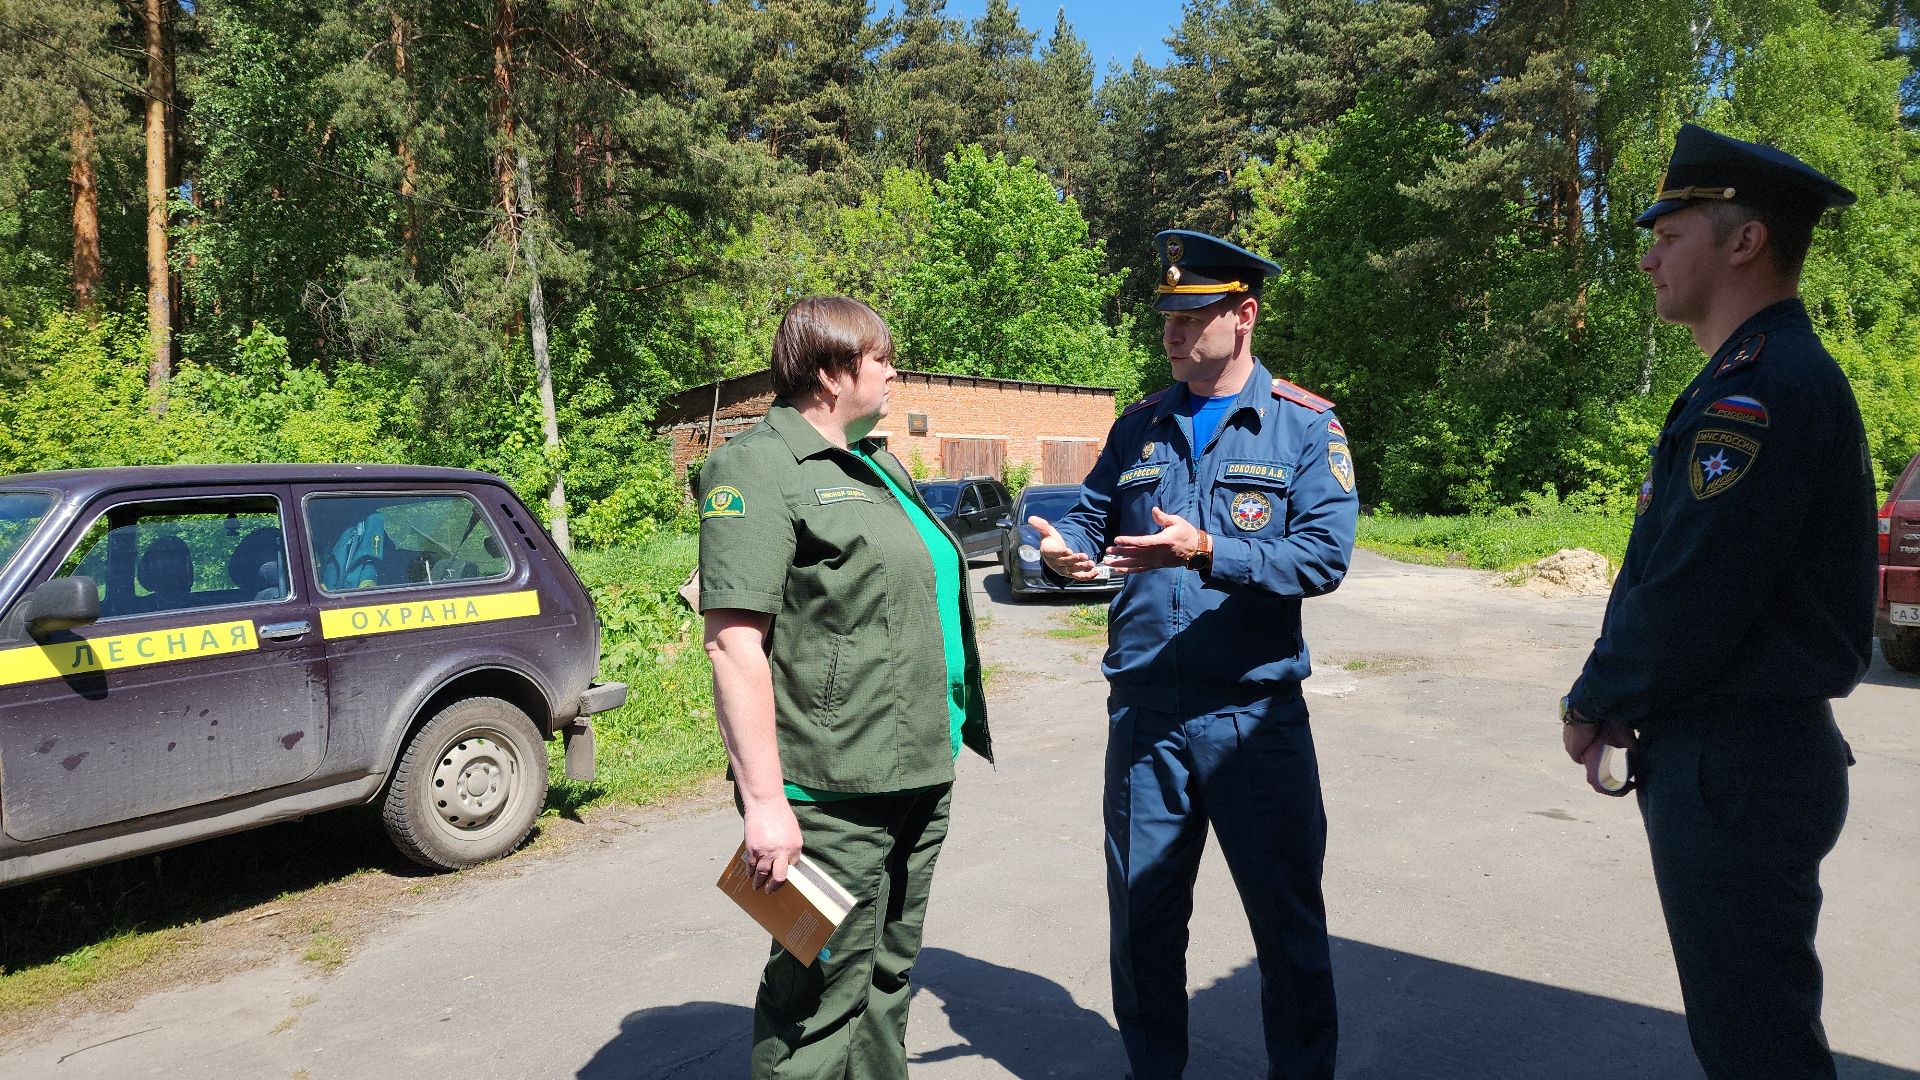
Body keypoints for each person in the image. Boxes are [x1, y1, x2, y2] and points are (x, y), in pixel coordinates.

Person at [1560, 124, 1877, 1080]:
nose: (1648, 254)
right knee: (1749, 1029)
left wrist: (1595, 700)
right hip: (1740, 757)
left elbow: (1696, 585)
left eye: (1671, 231)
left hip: (1738, 760)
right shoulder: (1749, 377)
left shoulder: (1762, 388)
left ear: (1745, 242)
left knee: (1756, 1045)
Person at [1031, 230, 1358, 1080]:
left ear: (1243, 316)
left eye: (1192, 316)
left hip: (1252, 716)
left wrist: (1209, 549)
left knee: (1286, 927)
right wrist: (1066, 548)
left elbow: (1323, 556)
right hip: (1145, 715)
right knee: (1142, 924)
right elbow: (1093, 517)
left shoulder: (1301, 425)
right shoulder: (1138, 424)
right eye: (1167, 316)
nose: (1172, 332)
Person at [696, 296, 993, 1079]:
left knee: (887, 977)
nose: (894, 371)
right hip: (825, 793)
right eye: (881, 358)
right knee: (817, 996)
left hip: (918, 770)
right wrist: (765, 805)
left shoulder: (879, 463)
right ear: (831, 373)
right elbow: (733, 645)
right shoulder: (755, 467)